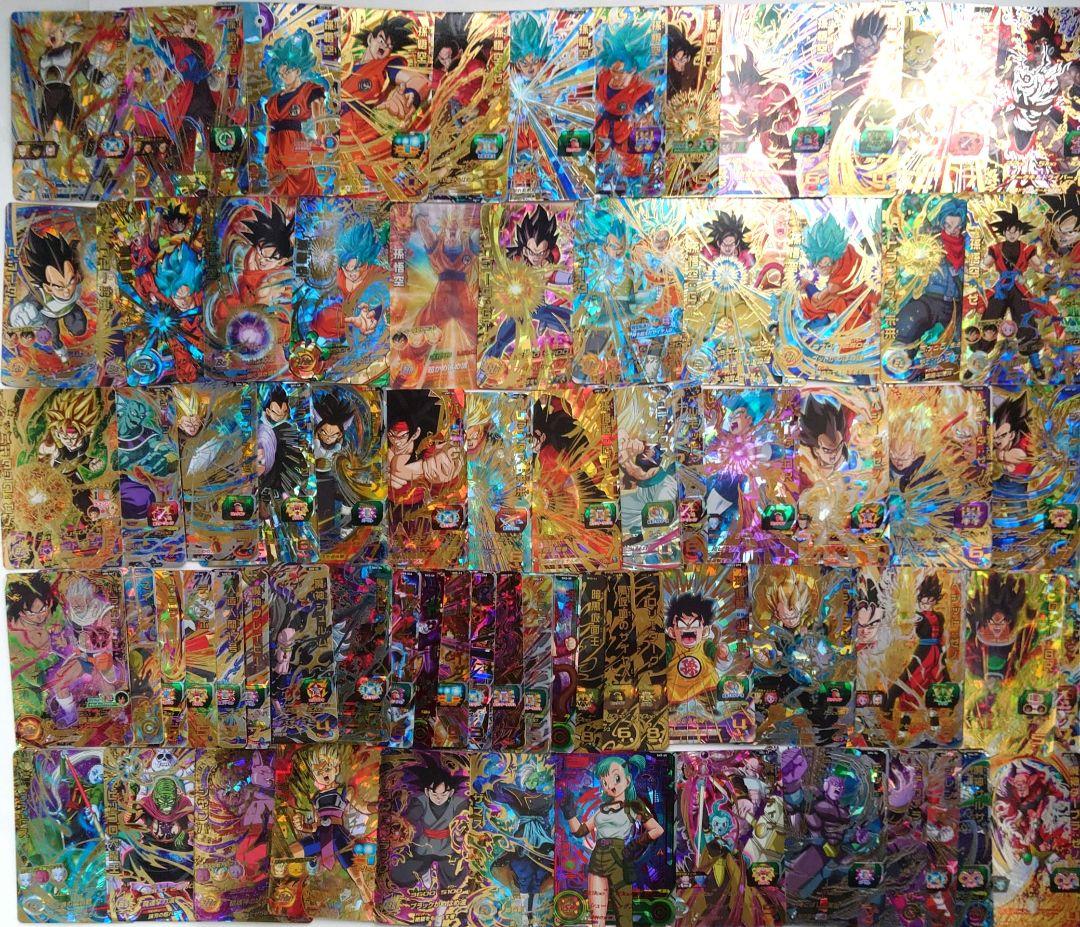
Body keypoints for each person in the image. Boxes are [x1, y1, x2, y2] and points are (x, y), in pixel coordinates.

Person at [559, 755, 664, 927]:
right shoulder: (601, 810)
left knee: (624, 915)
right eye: (604, 783)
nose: (610, 786)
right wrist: (569, 812)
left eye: (616, 778)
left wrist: (634, 846)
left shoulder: (633, 806)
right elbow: (580, 831)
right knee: (596, 917)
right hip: (597, 858)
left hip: (620, 858)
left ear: (628, 780)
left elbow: (657, 829)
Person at [263, 31, 328, 196]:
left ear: (298, 71)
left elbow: (319, 119)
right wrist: (266, 152)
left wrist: (321, 143)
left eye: (287, 71)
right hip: (274, 154)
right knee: (278, 193)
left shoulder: (309, 90)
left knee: (305, 189)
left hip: (295, 150)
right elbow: (269, 128)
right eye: (281, 73)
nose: (283, 76)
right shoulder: (273, 100)